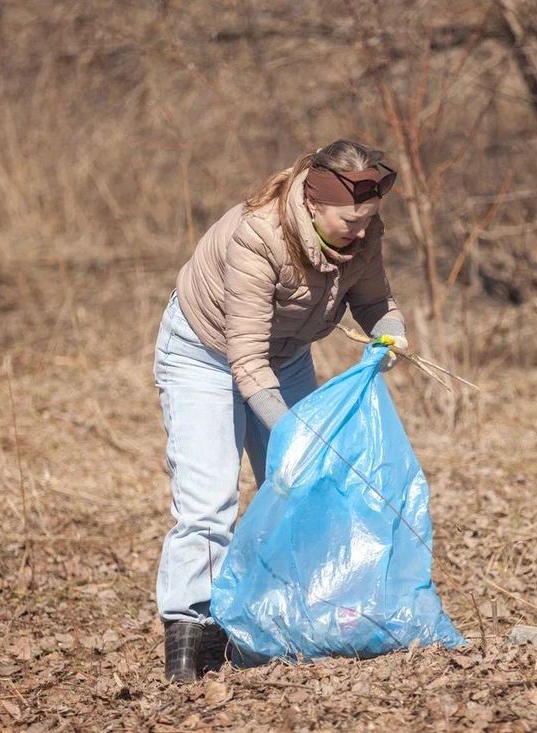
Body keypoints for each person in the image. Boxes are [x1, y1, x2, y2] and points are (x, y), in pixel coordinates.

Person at [153, 139, 408, 681]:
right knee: (208, 500)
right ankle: (189, 635)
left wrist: (391, 333)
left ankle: (270, 617)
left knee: (295, 487)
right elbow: (244, 360)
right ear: (315, 204)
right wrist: (298, 431)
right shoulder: (259, 236)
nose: (362, 231)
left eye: (369, 220)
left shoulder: (364, 233)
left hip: (285, 354)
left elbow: (373, 301)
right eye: (350, 221)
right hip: (205, 353)